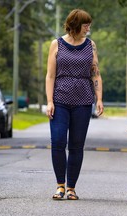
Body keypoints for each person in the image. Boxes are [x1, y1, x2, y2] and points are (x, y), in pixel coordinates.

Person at [45, 9, 103, 200]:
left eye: (89, 25)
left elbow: (95, 73)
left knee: (77, 146)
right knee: (58, 141)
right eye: (86, 25)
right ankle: (60, 185)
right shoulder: (57, 44)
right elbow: (50, 75)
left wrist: (99, 98)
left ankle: (71, 188)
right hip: (60, 100)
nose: (88, 28)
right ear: (76, 24)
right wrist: (50, 101)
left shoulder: (90, 45)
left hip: (83, 101)